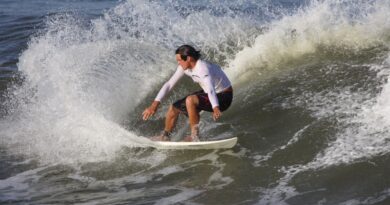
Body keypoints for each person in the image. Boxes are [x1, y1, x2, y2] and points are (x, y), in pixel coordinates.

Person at [142, 45, 233, 142]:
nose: (178, 63)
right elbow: (169, 84)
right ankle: (165, 136)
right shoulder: (184, 68)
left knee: (190, 100)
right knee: (173, 108)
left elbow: (211, 89)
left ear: (188, 58)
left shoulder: (202, 68)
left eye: (179, 60)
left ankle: (194, 136)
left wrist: (215, 107)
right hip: (209, 92)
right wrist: (154, 105)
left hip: (223, 97)